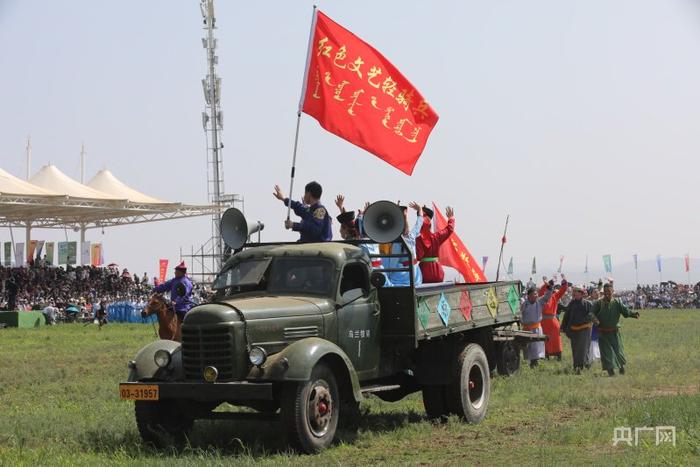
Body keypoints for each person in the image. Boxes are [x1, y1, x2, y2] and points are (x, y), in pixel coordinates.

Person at [592, 283, 640, 376]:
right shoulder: (598, 303)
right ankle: (611, 371)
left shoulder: (617, 302)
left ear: (612, 292)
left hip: (614, 332)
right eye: (605, 292)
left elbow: (626, 312)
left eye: (609, 292)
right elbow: (590, 314)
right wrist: (595, 320)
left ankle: (621, 367)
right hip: (603, 333)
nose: (607, 294)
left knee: (618, 351)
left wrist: (634, 314)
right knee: (606, 352)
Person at [383, 202, 423, 287]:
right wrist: (419, 209)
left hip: (402, 278)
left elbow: (393, 264)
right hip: (415, 276)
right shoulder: (412, 235)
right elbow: (419, 223)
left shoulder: (397, 243)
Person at [560, 285, 598, 374]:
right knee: (575, 349)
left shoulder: (588, 304)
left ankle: (581, 367)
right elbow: (567, 316)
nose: (574, 293)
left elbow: (593, 315)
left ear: (581, 293)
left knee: (583, 348)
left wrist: (596, 323)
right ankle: (577, 365)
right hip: (574, 330)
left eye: (577, 292)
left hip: (585, 330)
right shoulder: (571, 304)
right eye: (574, 292)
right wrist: (563, 327)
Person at [416, 205, 455, 283]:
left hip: (424, 273)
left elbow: (418, 257)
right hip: (437, 272)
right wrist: (451, 218)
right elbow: (449, 229)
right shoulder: (437, 237)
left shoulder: (417, 239)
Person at [521, 281, 554, 367]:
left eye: (536, 294)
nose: (536, 295)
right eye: (534, 294)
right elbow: (519, 313)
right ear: (529, 295)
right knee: (528, 349)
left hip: (536, 329)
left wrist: (550, 287)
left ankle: (534, 364)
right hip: (526, 330)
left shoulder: (540, 302)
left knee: (536, 349)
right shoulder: (524, 304)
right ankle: (530, 363)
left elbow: (547, 296)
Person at [152, 261, 195, 329]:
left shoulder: (186, 282)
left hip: (183, 307)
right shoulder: (174, 280)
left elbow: (183, 295)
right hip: (173, 306)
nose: (174, 272)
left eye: (176, 271)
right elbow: (164, 286)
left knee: (185, 325)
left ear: (181, 272)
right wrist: (155, 289)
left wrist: (176, 301)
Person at [538, 275, 569, 360]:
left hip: (552, 322)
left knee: (556, 340)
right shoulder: (541, 296)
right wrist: (548, 283)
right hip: (543, 322)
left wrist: (564, 280)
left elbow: (563, 290)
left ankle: (558, 356)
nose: (550, 289)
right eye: (549, 288)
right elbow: (542, 290)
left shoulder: (555, 296)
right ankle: (546, 355)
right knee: (544, 339)